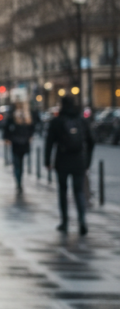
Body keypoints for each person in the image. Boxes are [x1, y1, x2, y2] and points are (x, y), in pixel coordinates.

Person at [45, 95, 95, 235]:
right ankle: (82, 220)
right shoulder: (81, 121)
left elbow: (49, 142)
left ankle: (65, 222)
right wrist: (87, 161)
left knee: (62, 191)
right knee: (79, 191)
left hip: (62, 160)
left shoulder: (57, 121)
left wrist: (47, 161)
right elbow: (91, 142)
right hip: (79, 160)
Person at [3, 103, 34, 193]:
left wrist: (8, 138)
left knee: (17, 164)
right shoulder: (26, 117)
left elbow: (6, 129)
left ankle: (19, 182)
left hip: (17, 143)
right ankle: (19, 181)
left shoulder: (14, 117)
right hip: (23, 143)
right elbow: (32, 128)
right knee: (20, 164)